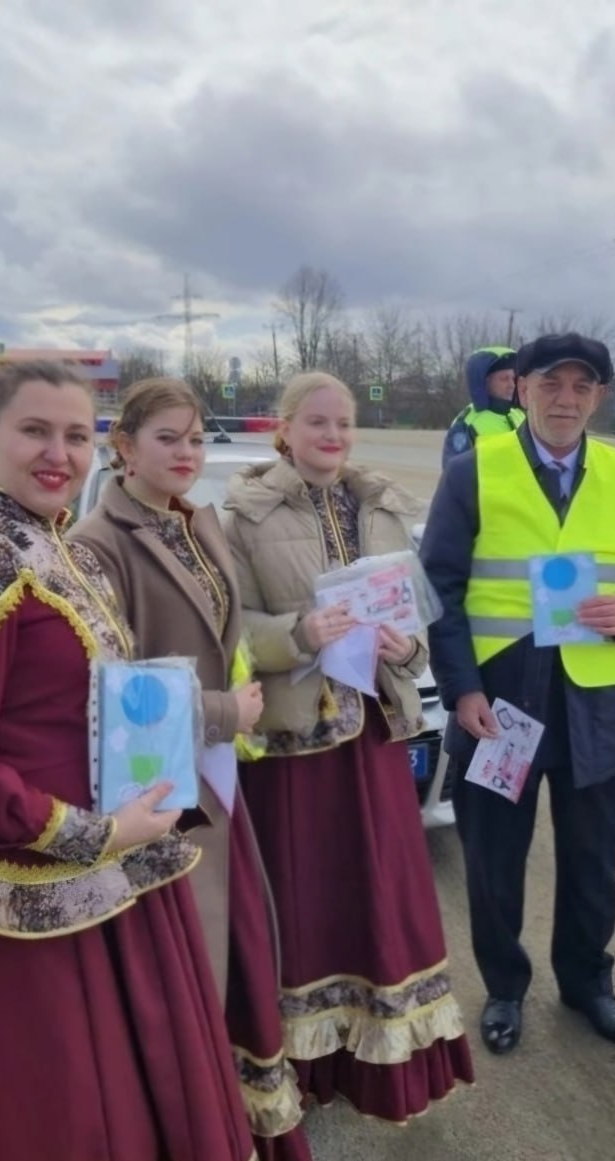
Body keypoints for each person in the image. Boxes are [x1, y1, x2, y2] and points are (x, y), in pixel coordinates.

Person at [0, 360, 256, 1161]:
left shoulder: (50, 545)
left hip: (116, 873)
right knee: (58, 1117)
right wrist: (88, 833)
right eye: (34, 430)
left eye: (75, 435)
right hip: (22, 907)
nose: (59, 454)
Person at [69, 376, 311, 1160]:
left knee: (239, 939)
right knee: (191, 957)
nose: (186, 452)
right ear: (124, 446)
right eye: (167, 437)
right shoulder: (99, 543)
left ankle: (230, 1101)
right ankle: (187, 1121)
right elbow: (107, 690)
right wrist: (220, 713)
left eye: (197, 438)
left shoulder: (195, 523)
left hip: (219, 769)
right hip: (165, 780)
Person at [421, 333, 615, 1055]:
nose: (566, 399)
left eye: (582, 386)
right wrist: (461, 689)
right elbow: (436, 588)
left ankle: (589, 984)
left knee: (593, 857)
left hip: (594, 704)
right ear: (523, 388)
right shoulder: (474, 473)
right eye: (551, 384)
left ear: (598, 396)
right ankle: (505, 987)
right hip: (498, 702)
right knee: (493, 856)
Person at [224, 370, 474, 1124]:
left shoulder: (382, 507)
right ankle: (298, 1063)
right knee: (305, 904)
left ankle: (379, 1061)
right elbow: (231, 629)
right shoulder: (243, 514)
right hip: (295, 746)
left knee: (381, 898)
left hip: (370, 736)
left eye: (342, 423)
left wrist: (404, 646)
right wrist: (299, 632)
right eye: (317, 422)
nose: (331, 435)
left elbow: (414, 617)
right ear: (287, 427)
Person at [442, 346, 526, 468]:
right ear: (485, 382)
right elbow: (455, 475)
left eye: (513, 378)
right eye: (504, 379)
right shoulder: (467, 424)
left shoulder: (520, 415)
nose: (511, 385)